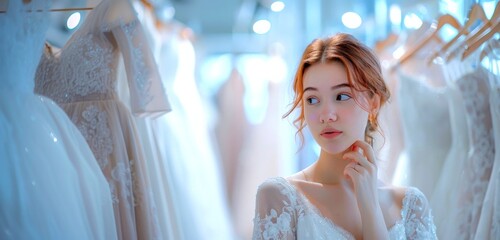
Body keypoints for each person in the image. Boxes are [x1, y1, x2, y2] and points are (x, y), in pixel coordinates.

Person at [252, 33, 437, 239]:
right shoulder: (281, 199)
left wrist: (370, 206)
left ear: (373, 104)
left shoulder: (410, 206)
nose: (326, 115)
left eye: (341, 96)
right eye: (312, 99)